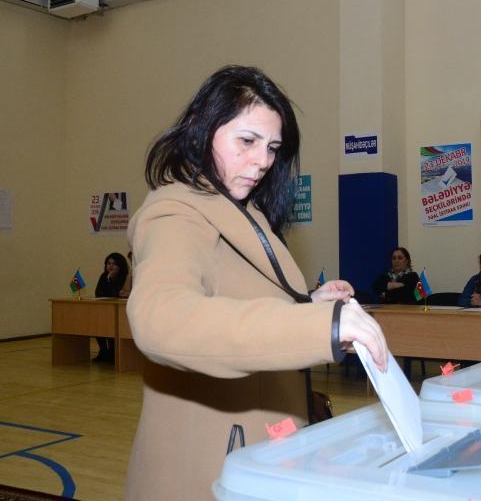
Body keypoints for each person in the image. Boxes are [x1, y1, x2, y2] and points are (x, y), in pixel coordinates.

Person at [125, 65, 388, 500]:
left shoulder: (241, 207)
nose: (263, 161)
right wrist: (319, 327)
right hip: (211, 463)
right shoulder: (175, 213)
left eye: (272, 147)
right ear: (200, 128)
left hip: (260, 447)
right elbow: (160, 318)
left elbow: (237, 296)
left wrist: (308, 304)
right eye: (247, 141)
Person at [93, 252, 129, 362]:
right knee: (97, 324)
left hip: (121, 311)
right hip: (105, 310)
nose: (111, 266)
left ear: (120, 266)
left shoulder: (125, 277)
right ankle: (103, 351)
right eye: (108, 263)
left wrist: (110, 281)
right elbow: (98, 293)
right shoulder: (104, 276)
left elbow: (117, 294)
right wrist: (108, 280)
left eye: (114, 264)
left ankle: (113, 353)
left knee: (113, 325)